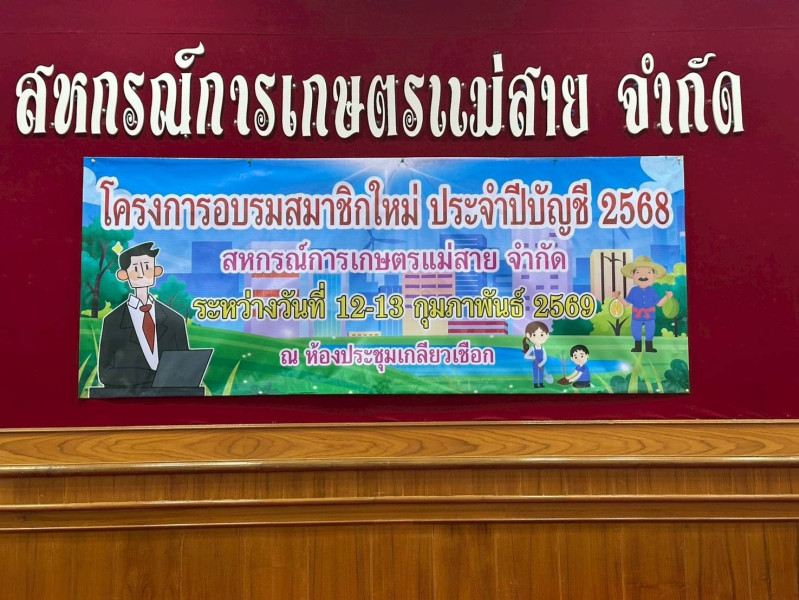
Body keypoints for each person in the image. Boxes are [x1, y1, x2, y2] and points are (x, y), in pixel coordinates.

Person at [98, 242, 189, 387]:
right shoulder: (113, 321)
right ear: (123, 275)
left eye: (147, 267)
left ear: (157, 271)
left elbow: (186, 369)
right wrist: (149, 376)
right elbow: (105, 373)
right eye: (135, 268)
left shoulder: (175, 321)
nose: (141, 273)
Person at [611, 255, 673, 353]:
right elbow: (626, 304)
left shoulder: (652, 291)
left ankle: (649, 347)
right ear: (633, 275)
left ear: (654, 276)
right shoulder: (633, 291)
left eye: (648, 272)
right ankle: (637, 347)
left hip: (650, 316)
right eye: (638, 272)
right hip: (636, 316)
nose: (643, 276)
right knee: (635, 330)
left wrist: (666, 297)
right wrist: (618, 297)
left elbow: (659, 304)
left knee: (650, 330)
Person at [522, 321, 550, 388]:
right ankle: (535, 384)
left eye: (542, 335)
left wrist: (542, 363)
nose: (538, 338)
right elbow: (526, 356)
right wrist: (532, 357)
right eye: (534, 335)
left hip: (541, 363)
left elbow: (545, 357)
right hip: (535, 363)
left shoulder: (542, 348)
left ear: (547, 335)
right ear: (528, 336)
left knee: (541, 373)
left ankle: (541, 384)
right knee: (535, 373)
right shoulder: (532, 347)